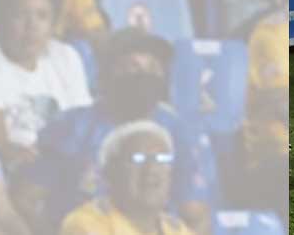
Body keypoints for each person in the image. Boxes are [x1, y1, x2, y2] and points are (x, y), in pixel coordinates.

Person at [33, 29, 217, 235]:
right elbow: (28, 200)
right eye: (132, 67)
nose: (143, 76)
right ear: (106, 75)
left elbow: (196, 216)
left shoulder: (181, 132)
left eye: (153, 68)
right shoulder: (72, 125)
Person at [0, 0, 92, 171]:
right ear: (0, 20)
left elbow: (83, 122)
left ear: (53, 24)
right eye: (19, 15)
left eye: (42, 16)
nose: (32, 26)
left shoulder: (65, 57)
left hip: (63, 165)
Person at [58, 120, 193, 235]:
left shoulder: (177, 230)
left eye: (162, 159)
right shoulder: (87, 225)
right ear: (110, 172)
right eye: (138, 159)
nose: (151, 169)